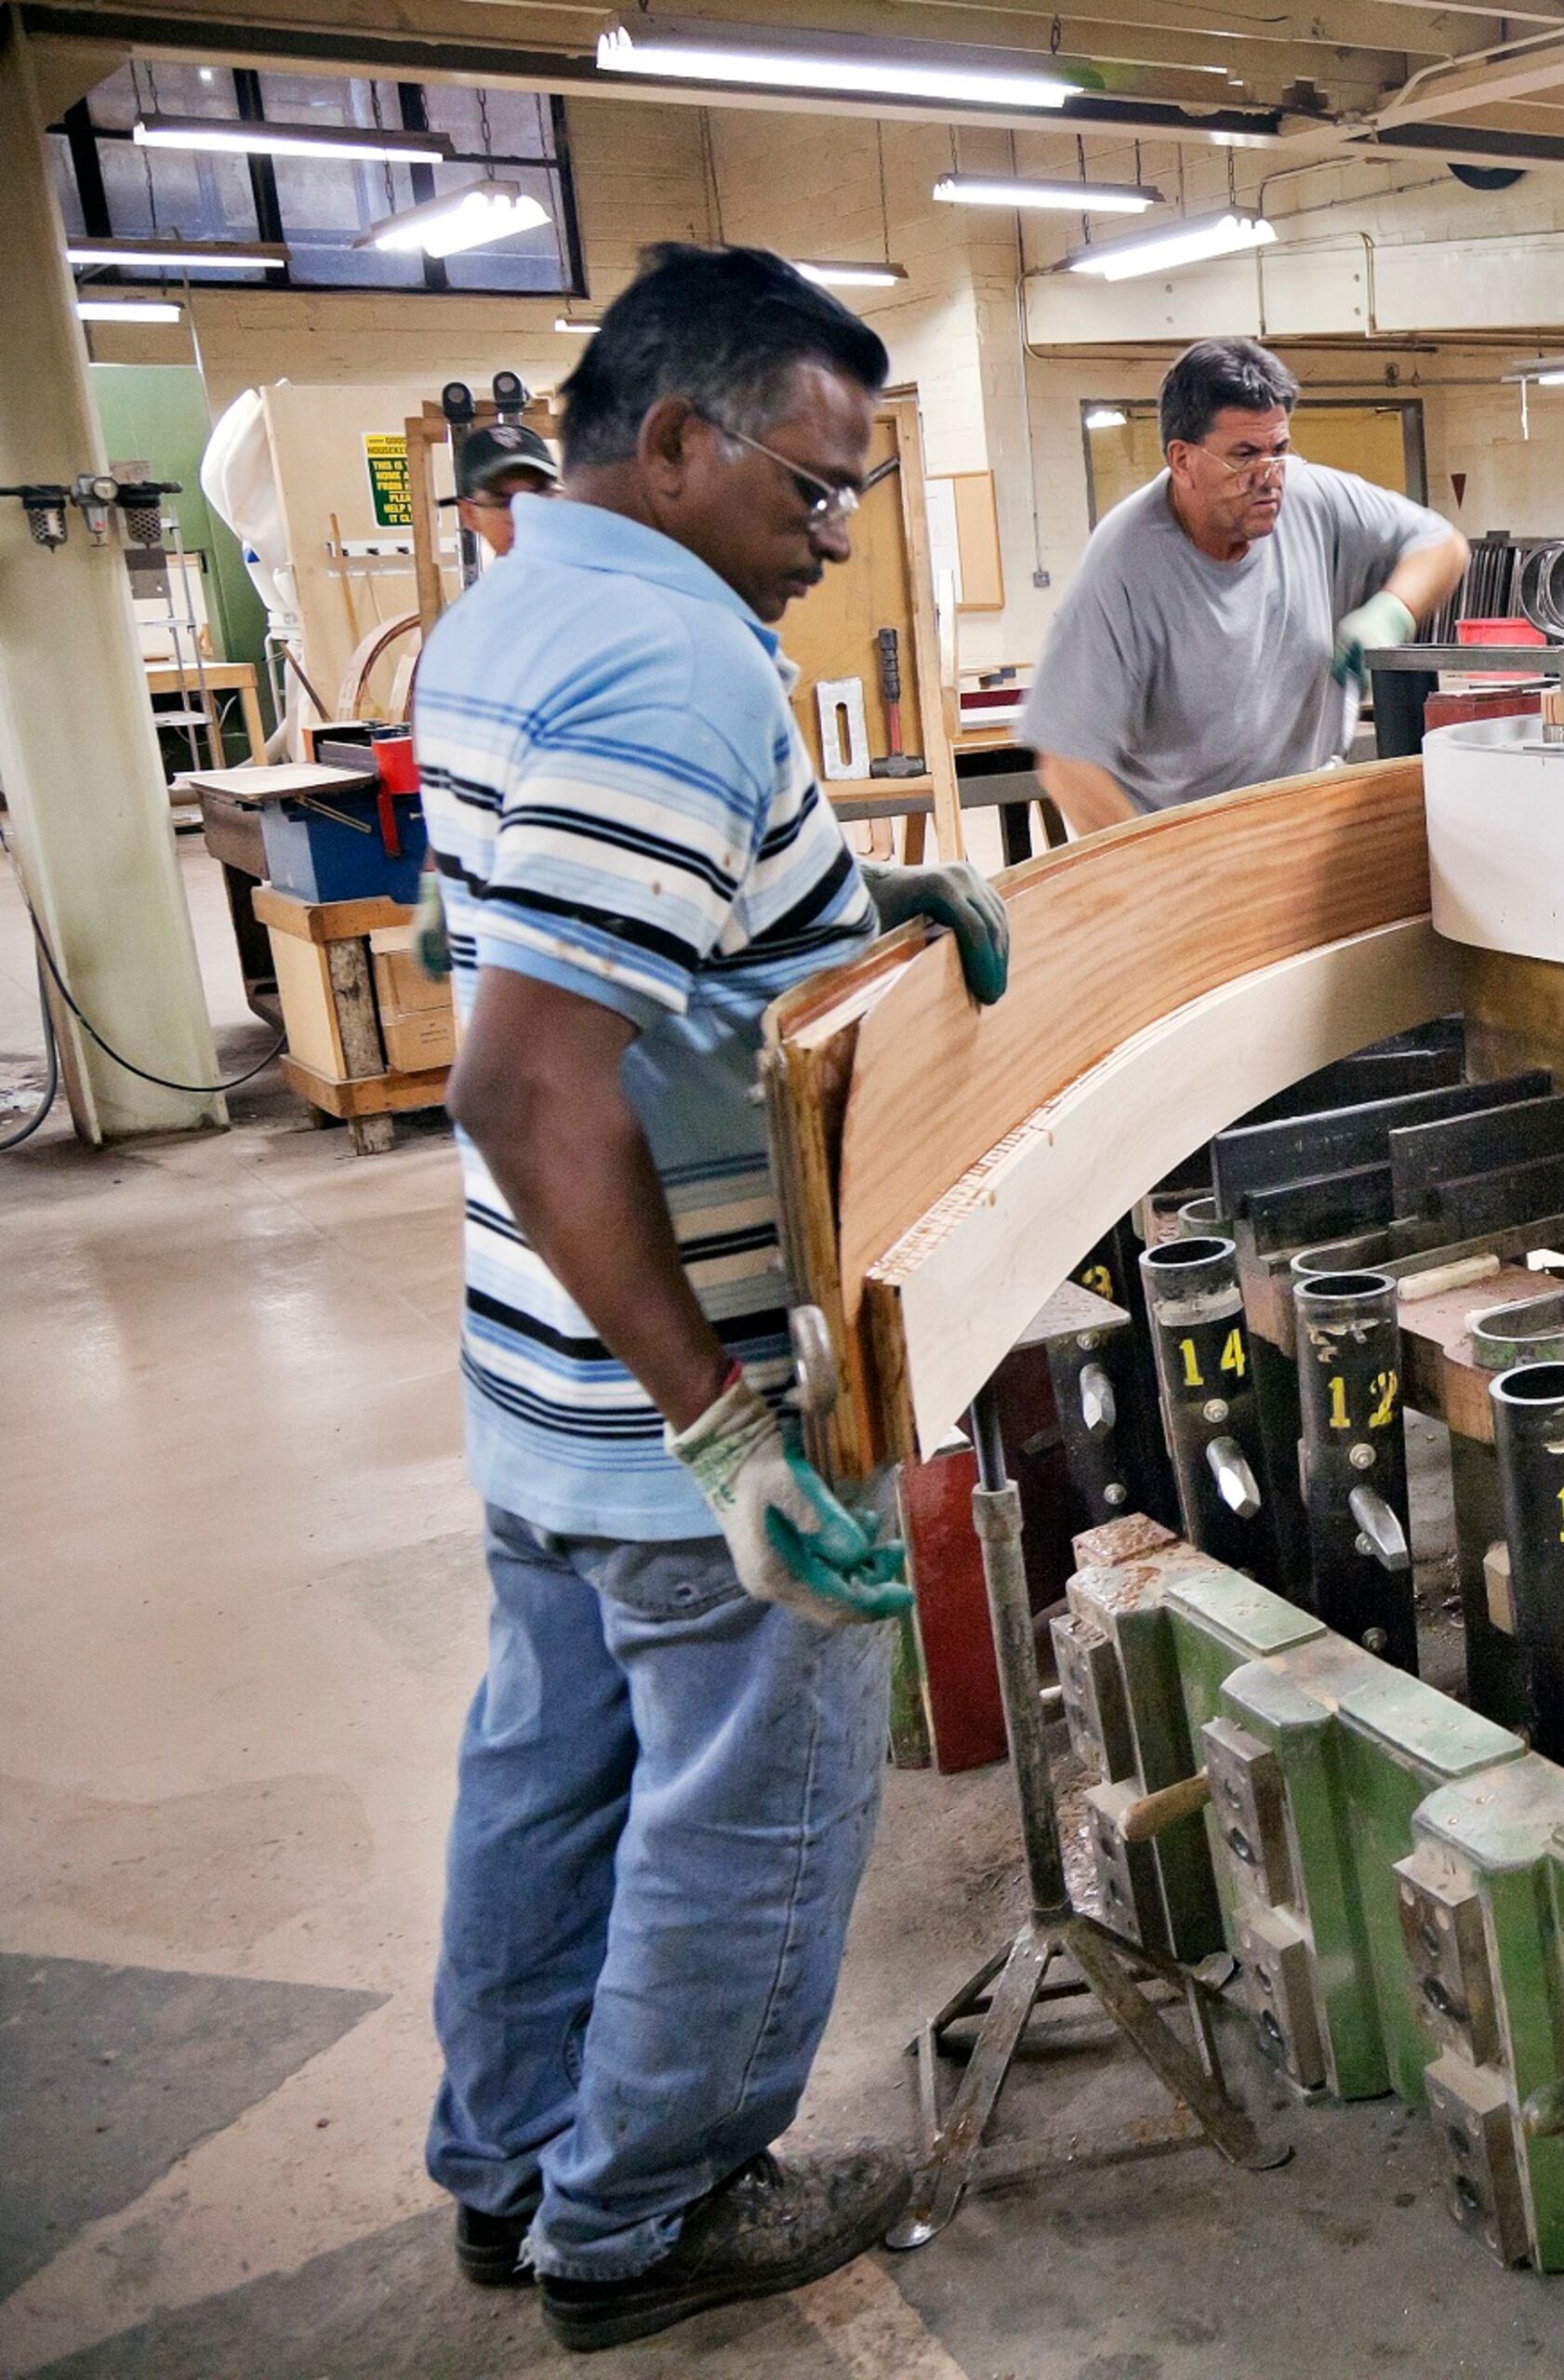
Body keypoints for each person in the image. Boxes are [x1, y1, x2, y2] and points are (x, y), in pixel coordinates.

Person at [416, 242, 1009, 2354]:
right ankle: (646, 2213)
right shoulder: (677, 671)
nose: (835, 538)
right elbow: (522, 1070)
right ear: (673, 440)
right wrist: (729, 1426)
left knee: (549, 1772)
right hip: (677, 1400)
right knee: (743, 1814)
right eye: (812, 486)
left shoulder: (504, 610)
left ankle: (507, 2166)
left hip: (532, 1379)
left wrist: (850, 922)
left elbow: (498, 946)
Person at [1025, 336, 1469, 827]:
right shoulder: (1125, 564)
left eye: (1279, 449)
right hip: (1189, 834)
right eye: (1243, 455)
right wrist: (1151, 881)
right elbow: (1066, 762)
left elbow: (1443, 544)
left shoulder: (1311, 496)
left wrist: (1392, 612)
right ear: (1182, 461)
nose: (1269, 476)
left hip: (1307, 807)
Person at [456, 418, 560, 559]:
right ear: (470, 514)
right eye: (503, 503)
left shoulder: (593, 575)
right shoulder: (495, 581)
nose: (522, 514)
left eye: (537, 498)